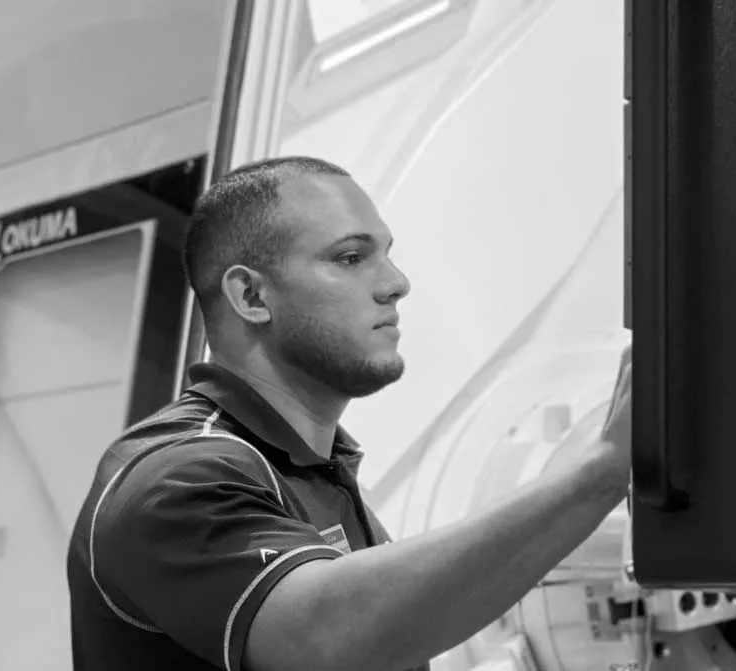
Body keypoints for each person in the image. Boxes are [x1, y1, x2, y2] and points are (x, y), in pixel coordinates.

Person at [66, 156, 633, 671]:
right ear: (252, 297)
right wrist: (603, 468)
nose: (396, 284)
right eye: (352, 258)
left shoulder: (316, 471)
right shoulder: (176, 478)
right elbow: (328, 638)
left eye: (387, 254)